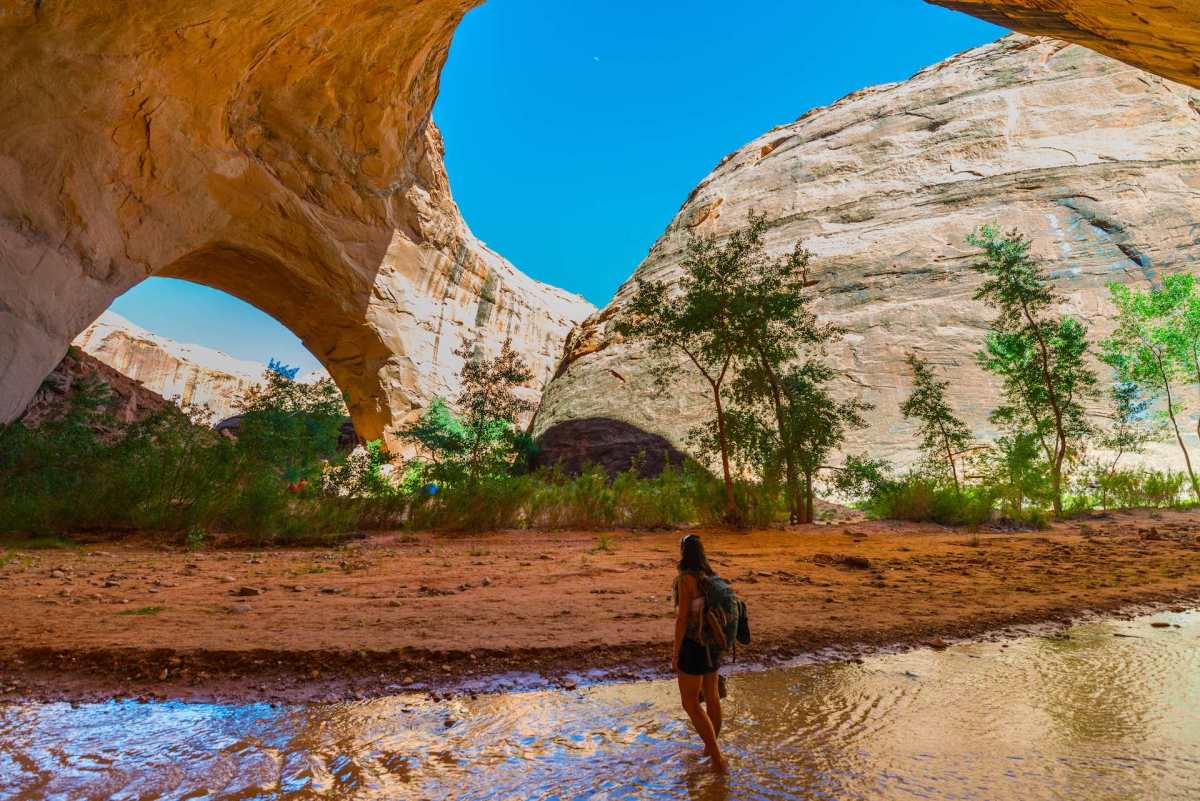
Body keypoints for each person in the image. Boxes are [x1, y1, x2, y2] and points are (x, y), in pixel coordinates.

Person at [672, 533, 727, 773]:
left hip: (693, 645)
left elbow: (683, 618)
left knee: (690, 703)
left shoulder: (686, 579)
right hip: (713, 644)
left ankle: (717, 759)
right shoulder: (711, 576)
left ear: (684, 553)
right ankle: (710, 749)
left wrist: (675, 653)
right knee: (712, 697)